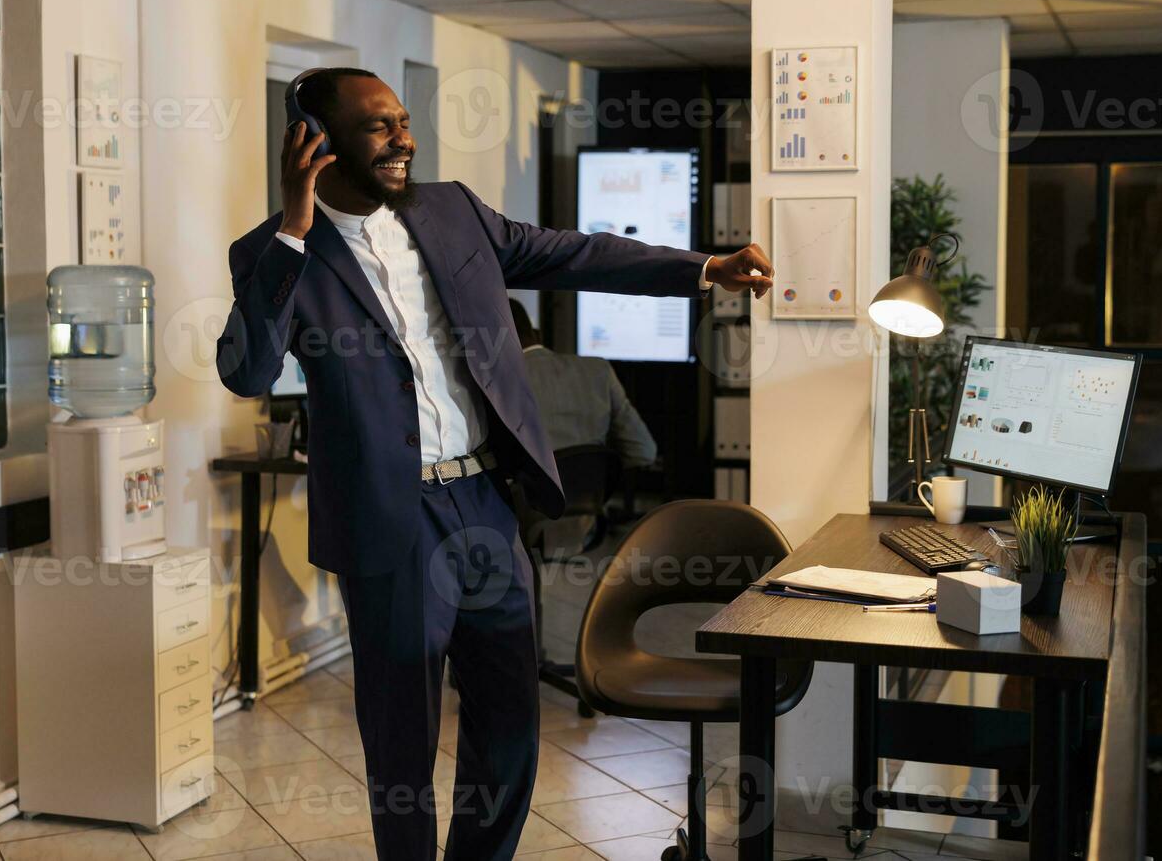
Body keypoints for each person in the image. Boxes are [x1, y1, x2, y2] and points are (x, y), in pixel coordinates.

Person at [216, 67, 773, 861]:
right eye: (379, 126)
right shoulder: (275, 253)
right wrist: (295, 230)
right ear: (314, 145)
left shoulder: (450, 211)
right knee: (403, 747)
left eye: (403, 120)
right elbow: (246, 370)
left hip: (483, 501)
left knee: (511, 725)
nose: (403, 138)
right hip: (390, 522)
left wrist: (704, 269)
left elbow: (572, 254)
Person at [507, 298, 657, 468]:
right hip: (592, 491)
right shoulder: (600, 370)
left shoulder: (499, 381)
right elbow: (644, 452)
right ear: (537, 334)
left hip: (530, 491)